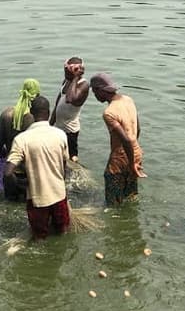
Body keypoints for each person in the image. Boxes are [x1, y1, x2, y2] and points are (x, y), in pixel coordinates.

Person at [4, 96, 70, 240]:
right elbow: (64, 165)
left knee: (39, 238)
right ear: (48, 112)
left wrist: (21, 185)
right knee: (63, 231)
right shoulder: (60, 135)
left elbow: (7, 173)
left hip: (37, 199)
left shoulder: (22, 139)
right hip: (59, 195)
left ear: (32, 114)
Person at [89, 73, 145, 206]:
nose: (94, 95)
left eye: (94, 92)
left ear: (100, 90)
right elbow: (138, 129)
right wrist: (133, 159)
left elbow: (125, 140)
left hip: (120, 159)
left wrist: (130, 164)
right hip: (136, 152)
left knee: (113, 203)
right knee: (130, 196)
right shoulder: (128, 99)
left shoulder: (109, 112)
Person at [0, 78, 41, 201]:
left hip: (10, 171)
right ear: (38, 95)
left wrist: (2, 155)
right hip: (29, 175)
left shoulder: (6, 114)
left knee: (9, 203)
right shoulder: (35, 118)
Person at [50, 57, 89, 162]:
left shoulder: (83, 85)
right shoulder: (66, 81)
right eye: (65, 70)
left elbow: (70, 99)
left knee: (71, 157)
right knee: (57, 153)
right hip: (58, 127)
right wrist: (49, 125)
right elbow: (57, 104)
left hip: (70, 130)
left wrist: (76, 78)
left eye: (68, 72)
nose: (65, 74)